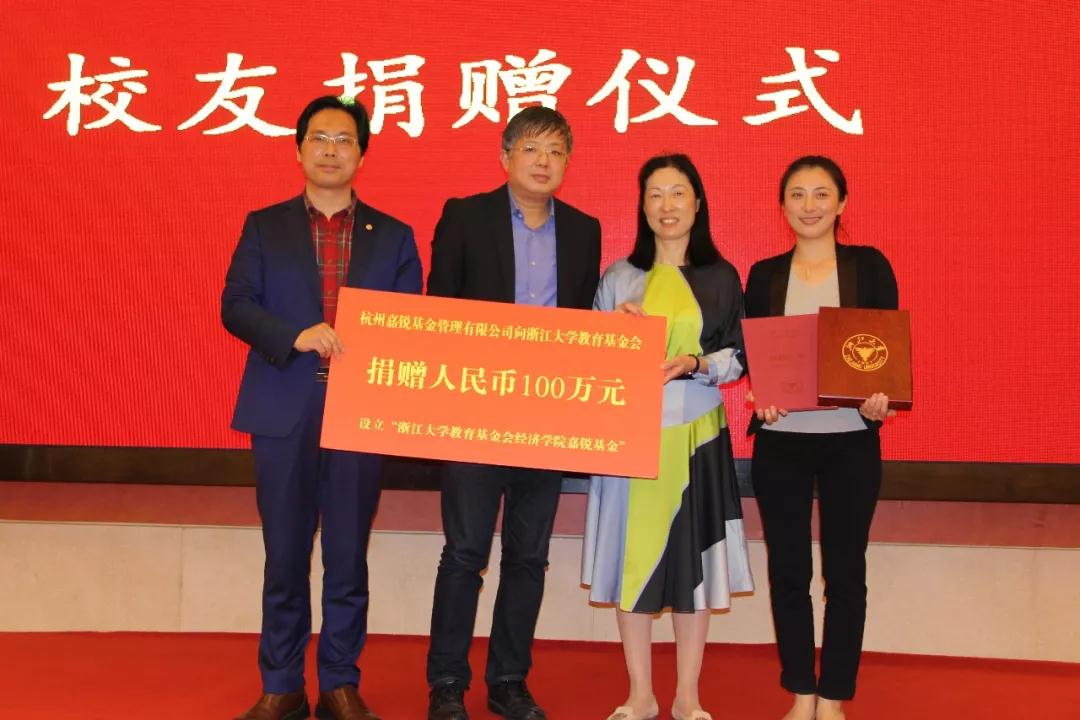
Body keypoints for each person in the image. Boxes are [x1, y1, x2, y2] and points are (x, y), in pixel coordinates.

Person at [222, 95, 422, 720]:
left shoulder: (393, 236)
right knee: (284, 555)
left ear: (362, 153)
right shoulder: (265, 225)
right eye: (319, 138)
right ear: (299, 149)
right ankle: (281, 683)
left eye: (344, 140)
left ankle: (339, 681)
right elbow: (236, 305)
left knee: (346, 555)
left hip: (359, 409)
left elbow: (409, 321)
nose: (331, 150)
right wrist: (296, 335)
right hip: (285, 407)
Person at [425, 106, 601, 720]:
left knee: (528, 556)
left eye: (556, 151)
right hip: (473, 410)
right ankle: (447, 682)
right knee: (465, 552)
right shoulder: (465, 216)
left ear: (567, 163)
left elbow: (583, 325)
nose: (543, 162)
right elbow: (438, 309)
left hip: (546, 417)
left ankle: (508, 680)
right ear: (505, 157)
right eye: (531, 149)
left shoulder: (584, 230)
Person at [581, 154, 753, 720]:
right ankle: (640, 694)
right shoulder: (618, 277)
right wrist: (612, 333)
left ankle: (687, 696)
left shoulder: (722, 277)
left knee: (693, 566)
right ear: (642, 206)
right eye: (655, 194)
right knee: (632, 562)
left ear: (698, 202)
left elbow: (739, 357)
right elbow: (588, 355)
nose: (667, 205)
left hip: (696, 437)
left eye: (678, 193)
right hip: (629, 437)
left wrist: (693, 363)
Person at [744, 155, 897, 720]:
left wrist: (880, 398)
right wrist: (762, 392)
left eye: (821, 194)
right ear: (782, 205)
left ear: (841, 203)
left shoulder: (869, 267)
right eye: (797, 195)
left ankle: (832, 697)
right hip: (781, 441)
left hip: (850, 440)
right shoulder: (764, 275)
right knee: (788, 572)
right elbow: (755, 354)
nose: (809, 206)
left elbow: (885, 350)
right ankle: (800, 692)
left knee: (845, 573)